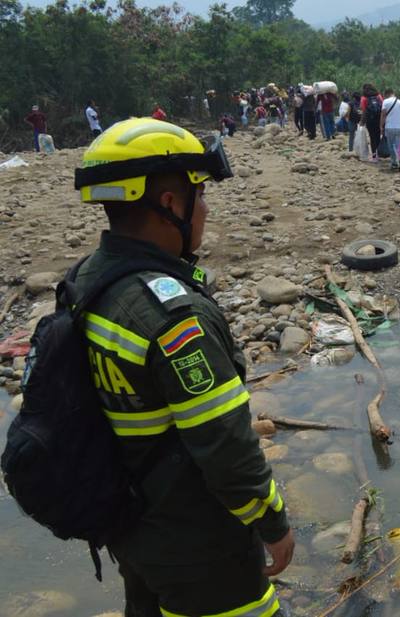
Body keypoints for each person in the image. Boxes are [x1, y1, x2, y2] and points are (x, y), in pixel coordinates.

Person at [71, 117, 294, 617]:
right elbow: (224, 443)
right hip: (196, 540)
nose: (207, 209)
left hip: (129, 524)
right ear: (170, 204)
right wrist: (272, 522)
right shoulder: (172, 317)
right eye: (200, 194)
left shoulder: (86, 281)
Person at [380, 88, 400, 170]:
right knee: (397, 146)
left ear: (386, 94)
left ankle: (394, 163)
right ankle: (399, 161)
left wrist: (381, 125)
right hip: (399, 127)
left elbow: (383, 115)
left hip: (389, 127)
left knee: (391, 146)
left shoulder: (385, 102)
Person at [360, 84, 384, 162]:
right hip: (378, 119)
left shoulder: (364, 98)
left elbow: (364, 112)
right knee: (378, 137)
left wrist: (362, 122)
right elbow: (382, 108)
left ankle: (374, 156)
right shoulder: (378, 96)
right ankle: (379, 154)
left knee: (372, 137)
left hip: (370, 121)